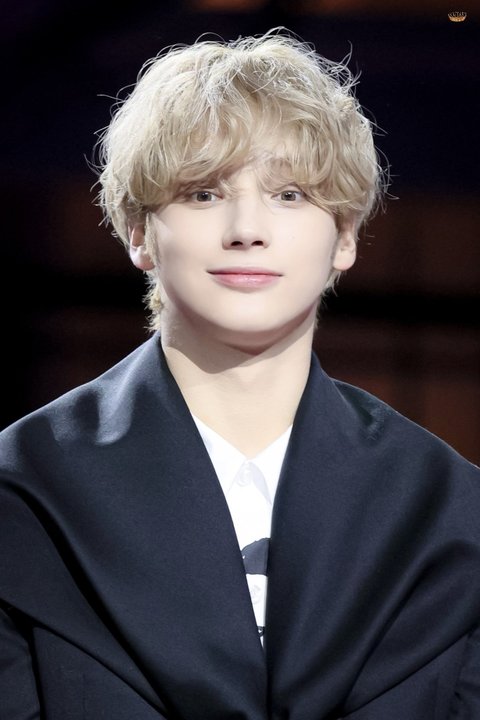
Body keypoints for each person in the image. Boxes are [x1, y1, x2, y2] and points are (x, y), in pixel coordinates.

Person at [1, 28, 479, 720]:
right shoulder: (27, 491)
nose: (247, 228)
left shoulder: (447, 511)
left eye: (290, 194)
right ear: (139, 233)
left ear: (345, 237)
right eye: (202, 194)